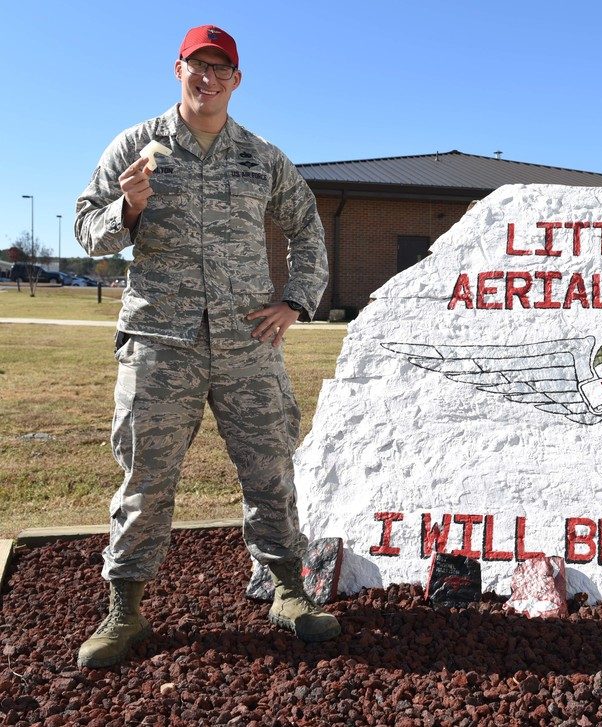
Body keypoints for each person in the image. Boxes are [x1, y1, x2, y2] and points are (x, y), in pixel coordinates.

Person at [74, 24, 338, 669]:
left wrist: (295, 300)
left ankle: (287, 591)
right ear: (178, 69)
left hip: (246, 342)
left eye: (222, 69)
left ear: (237, 80)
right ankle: (126, 610)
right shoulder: (137, 146)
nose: (209, 78)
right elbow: (87, 232)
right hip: (160, 343)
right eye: (199, 66)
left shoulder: (261, 156)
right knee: (145, 479)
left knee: (270, 471)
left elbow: (307, 230)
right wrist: (126, 210)